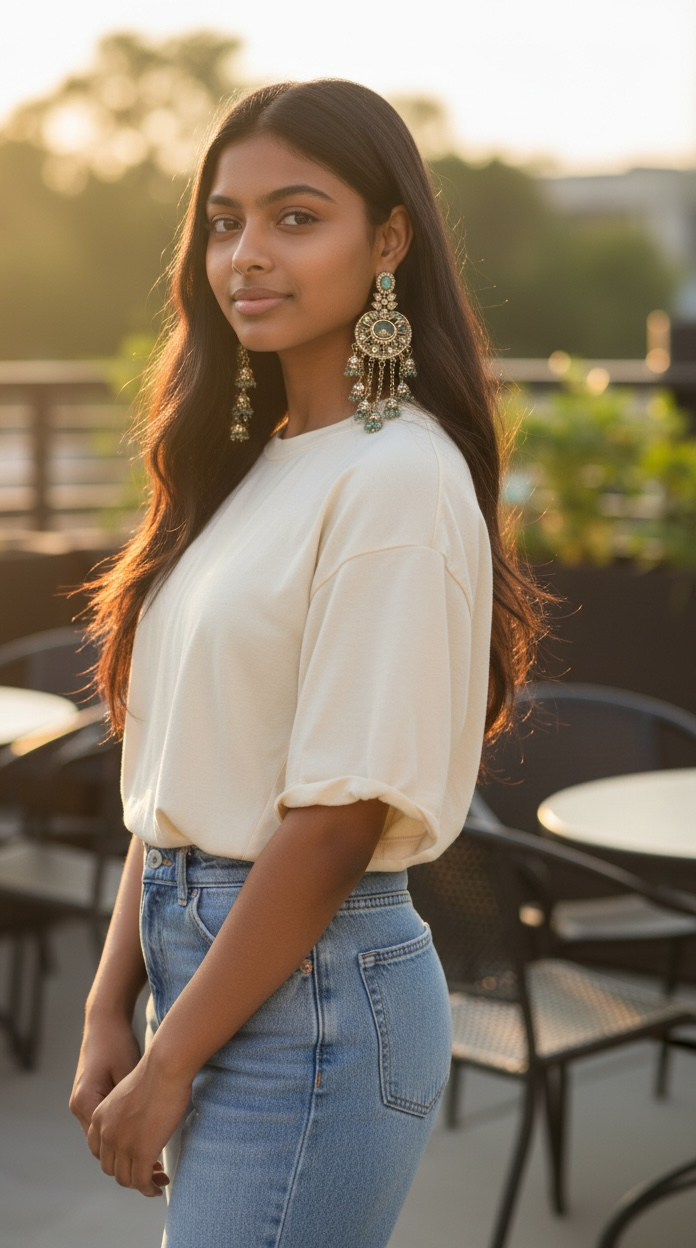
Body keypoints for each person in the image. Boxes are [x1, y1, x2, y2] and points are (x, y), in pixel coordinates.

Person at [69, 78, 544, 1247]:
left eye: (295, 217)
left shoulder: (396, 479)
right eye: (224, 222)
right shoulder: (255, 468)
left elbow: (334, 822)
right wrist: (107, 1003)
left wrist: (171, 1058)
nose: (246, 255)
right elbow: (180, 765)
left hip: (316, 1003)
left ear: (387, 240)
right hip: (212, 964)